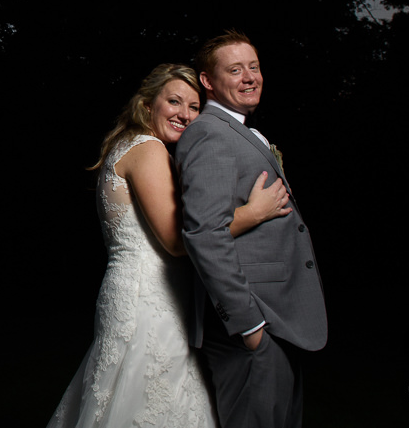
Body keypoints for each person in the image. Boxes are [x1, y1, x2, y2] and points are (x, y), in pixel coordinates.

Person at [46, 63, 291, 428]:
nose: (185, 114)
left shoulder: (125, 145)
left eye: (194, 107)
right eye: (174, 102)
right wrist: (253, 212)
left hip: (134, 293)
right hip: (151, 300)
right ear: (147, 106)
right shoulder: (147, 148)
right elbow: (177, 241)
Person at [175, 32, 327, 428]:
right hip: (254, 321)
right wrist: (248, 325)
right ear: (208, 81)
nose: (249, 77)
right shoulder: (209, 133)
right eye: (235, 69)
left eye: (254, 67)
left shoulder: (240, 130)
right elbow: (204, 233)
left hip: (280, 318)